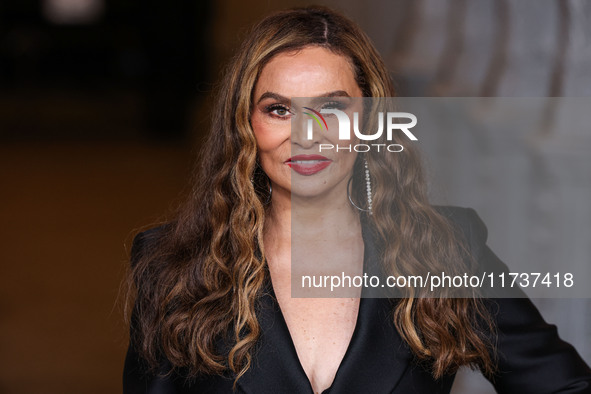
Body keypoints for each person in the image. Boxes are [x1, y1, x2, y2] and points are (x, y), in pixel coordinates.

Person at [123, 6, 591, 394]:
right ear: (245, 125)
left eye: (332, 107)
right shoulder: (172, 268)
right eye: (279, 109)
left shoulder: (448, 251)